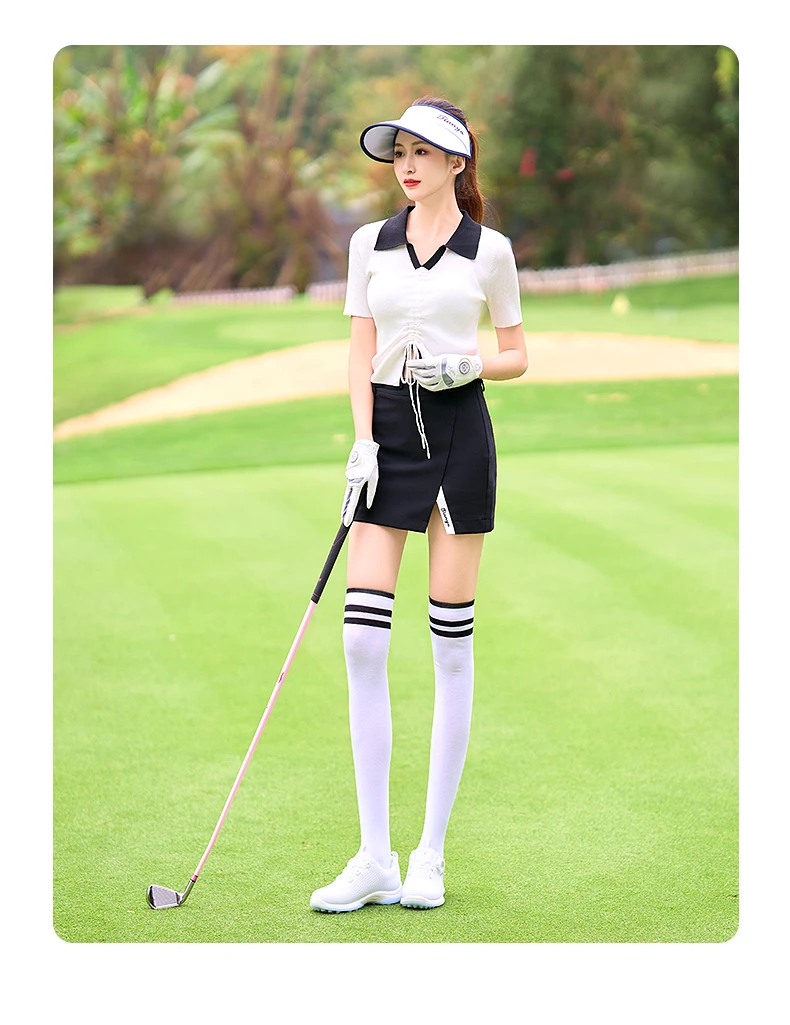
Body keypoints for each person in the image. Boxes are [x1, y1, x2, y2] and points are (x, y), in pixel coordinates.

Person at [309, 96, 528, 913]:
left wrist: (469, 363)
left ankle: (428, 853)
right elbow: (359, 348)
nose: (406, 165)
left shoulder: (490, 251)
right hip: (389, 439)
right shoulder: (369, 242)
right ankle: (375, 855)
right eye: (399, 151)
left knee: (449, 647)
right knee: (361, 641)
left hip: (460, 436)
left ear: (456, 164)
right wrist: (363, 441)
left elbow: (517, 353)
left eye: (423, 153)